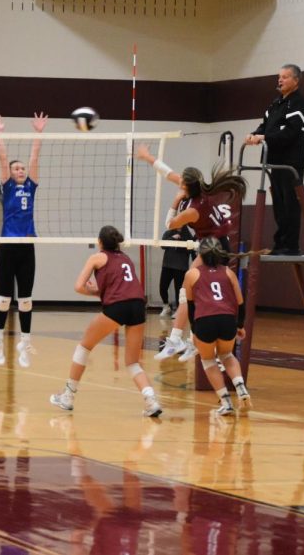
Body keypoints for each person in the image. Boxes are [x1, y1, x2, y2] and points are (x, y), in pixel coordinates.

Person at [135, 147, 247, 363]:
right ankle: (187, 339)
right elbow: (170, 174)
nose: (179, 183)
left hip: (214, 247)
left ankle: (182, 339)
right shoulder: (202, 190)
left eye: (181, 184)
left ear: (186, 187)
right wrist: (149, 158)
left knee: (189, 288)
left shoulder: (192, 209)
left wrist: (176, 201)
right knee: (189, 289)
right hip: (214, 244)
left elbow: (170, 224)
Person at [49, 226, 163, 418]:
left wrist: (95, 291)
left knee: (84, 348)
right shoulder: (126, 258)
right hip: (137, 305)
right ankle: (151, 401)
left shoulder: (97, 258)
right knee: (133, 362)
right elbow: (123, 286)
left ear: (100, 242)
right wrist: (103, 291)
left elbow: (78, 287)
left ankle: (68, 396)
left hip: (118, 306)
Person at [0, 112, 47, 368]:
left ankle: (25, 343)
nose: (20, 170)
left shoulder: (31, 186)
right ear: (10, 173)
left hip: (27, 246)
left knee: (25, 300)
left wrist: (38, 133)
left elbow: (35, 157)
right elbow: (3, 158)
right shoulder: (9, 186)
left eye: (22, 168)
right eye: (16, 168)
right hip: (8, 246)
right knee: (4, 299)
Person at [244, 64, 304, 256]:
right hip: (274, 161)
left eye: (285, 77)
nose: (280, 80)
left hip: (291, 163)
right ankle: (280, 243)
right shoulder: (275, 103)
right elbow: (265, 126)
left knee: (290, 202)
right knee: (279, 203)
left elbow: (291, 132)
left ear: (296, 81)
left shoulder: (299, 103)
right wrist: (254, 135)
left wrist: (264, 138)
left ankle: (291, 245)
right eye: (279, 77)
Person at [185, 237, 252, 416]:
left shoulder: (191, 274)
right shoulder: (228, 273)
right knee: (227, 355)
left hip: (205, 320)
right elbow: (240, 304)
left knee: (208, 360)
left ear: (200, 254)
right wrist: (240, 325)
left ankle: (226, 402)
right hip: (227, 320)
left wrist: (193, 330)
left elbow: (191, 307)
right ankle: (240, 387)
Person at [157, 191, 193, 318]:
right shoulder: (169, 232)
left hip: (180, 267)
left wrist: (181, 242)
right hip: (167, 265)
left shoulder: (188, 235)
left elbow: (191, 250)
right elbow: (162, 245)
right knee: (162, 287)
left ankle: (178, 310)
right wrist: (172, 239)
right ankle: (166, 306)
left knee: (180, 290)